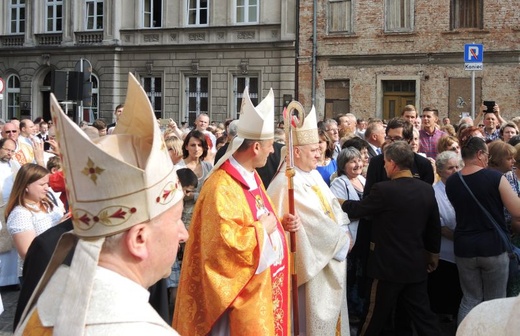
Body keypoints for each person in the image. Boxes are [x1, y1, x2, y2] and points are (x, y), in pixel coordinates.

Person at [14, 74, 187, 335]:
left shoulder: (47, 303)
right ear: (138, 238)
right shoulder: (139, 330)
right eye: (176, 220)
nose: (184, 233)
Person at [173, 88, 298, 335]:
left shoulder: (251, 176)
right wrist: (264, 229)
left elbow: (257, 217)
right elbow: (222, 250)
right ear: (255, 148)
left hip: (261, 291)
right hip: (236, 303)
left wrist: (279, 226)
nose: (274, 151)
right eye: (271, 146)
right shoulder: (222, 186)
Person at [342, 141, 442, 336]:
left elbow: (359, 209)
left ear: (393, 164)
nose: (385, 166)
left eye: (386, 163)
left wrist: (336, 202)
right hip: (415, 265)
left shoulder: (383, 190)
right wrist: (433, 254)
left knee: (373, 317)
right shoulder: (426, 189)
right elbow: (433, 226)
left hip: (387, 268)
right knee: (424, 317)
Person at [268, 106, 352, 335]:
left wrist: (344, 228)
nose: (319, 154)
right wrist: (343, 241)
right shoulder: (287, 183)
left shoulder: (313, 174)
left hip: (329, 264)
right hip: (313, 270)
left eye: (320, 149)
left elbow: (334, 208)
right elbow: (316, 226)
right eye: (314, 150)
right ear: (296, 152)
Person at [445, 136, 520, 325]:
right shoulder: (495, 178)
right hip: (493, 246)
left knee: (470, 299)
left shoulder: (453, 181)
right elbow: (517, 211)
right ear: (479, 154)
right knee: (495, 301)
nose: (487, 159)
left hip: (464, 248)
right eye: (486, 155)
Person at [6, 164, 65, 281]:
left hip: (57, 267)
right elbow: (28, 253)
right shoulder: (21, 213)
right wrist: (59, 228)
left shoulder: (47, 202)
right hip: (39, 274)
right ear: (26, 186)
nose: (47, 188)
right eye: (42, 184)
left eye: (47, 184)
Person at [427, 151, 463, 321]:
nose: (455, 171)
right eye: (450, 168)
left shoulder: (464, 188)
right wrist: (461, 238)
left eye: (457, 167)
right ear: (440, 171)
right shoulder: (434, 193)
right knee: (444, 295)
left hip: (464, 253)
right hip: (445, 254)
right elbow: (438, 225)